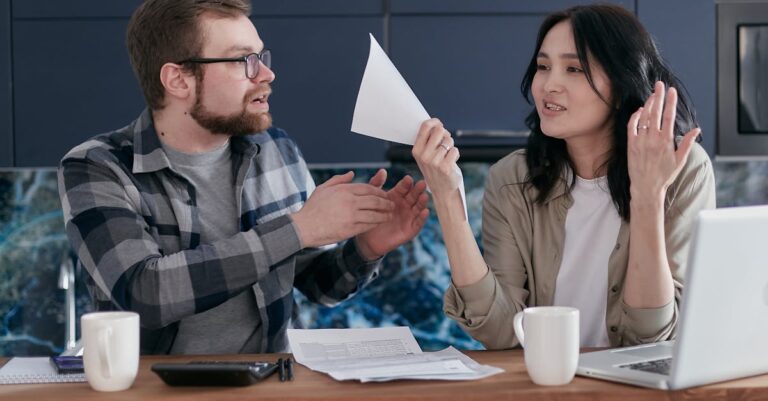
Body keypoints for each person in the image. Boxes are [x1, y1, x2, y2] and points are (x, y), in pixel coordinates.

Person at [57, 0, 429, 355]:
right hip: (153, 388)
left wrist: (367, 247)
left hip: (271, 381)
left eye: (261, 57)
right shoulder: (97, 167)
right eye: (243, 60)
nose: (266, 74)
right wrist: (298, 229)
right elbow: (146, 292)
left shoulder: (276, 151)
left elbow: (319, 286)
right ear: (178, 79)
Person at [412, 4, 715, 348]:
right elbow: (498, 332)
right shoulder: (512, 179)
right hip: (548, 385)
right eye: (543, 67)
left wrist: (648, 196)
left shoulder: (682, 169)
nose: (548, 85)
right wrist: (450, 201)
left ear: (621, 83)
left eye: (574, 69)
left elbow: (651, 335)